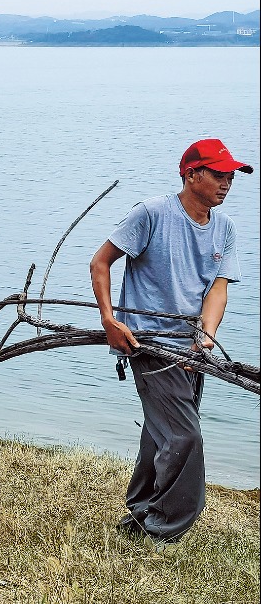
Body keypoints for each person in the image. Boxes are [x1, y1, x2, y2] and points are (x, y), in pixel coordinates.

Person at [89, 138, 252, 543]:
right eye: (219, 174)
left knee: (161, 432)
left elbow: (218, 289)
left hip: (192, 347)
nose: (227, 182)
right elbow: (101, 262)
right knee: (184, 436)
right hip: (147, 344)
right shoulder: (152, 213)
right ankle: (165, 529)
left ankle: (141, 515)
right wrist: (110, 320)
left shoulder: (225, 228)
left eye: (231, 176)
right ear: (191, 174)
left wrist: (206, 336)